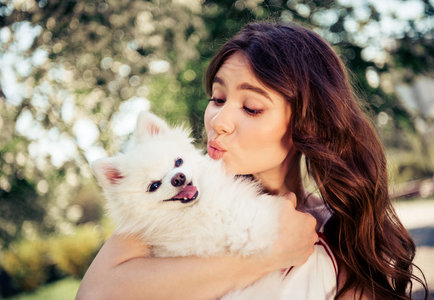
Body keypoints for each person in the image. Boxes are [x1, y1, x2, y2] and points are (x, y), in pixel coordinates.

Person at [76, 22, 428, 299]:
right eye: (217, 98)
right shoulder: (170, 205)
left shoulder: (338, 235)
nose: (218, 121)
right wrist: (265, 257)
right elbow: (95, 295)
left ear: (306, 122)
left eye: (251, 107)